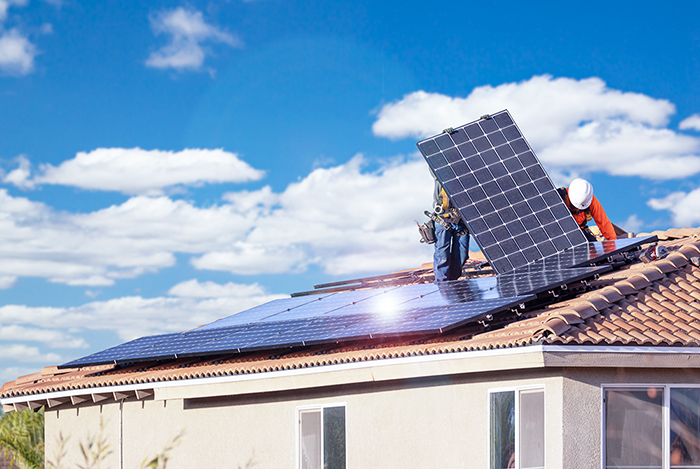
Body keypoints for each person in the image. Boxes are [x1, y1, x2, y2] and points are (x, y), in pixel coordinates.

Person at [432, 178, 470, 281]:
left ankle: (453, 283)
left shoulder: (466, 175)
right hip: (444, 219)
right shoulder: (440, 173)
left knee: (462, 255)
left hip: (461, 221)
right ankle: (442, 285)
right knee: (442, 257)